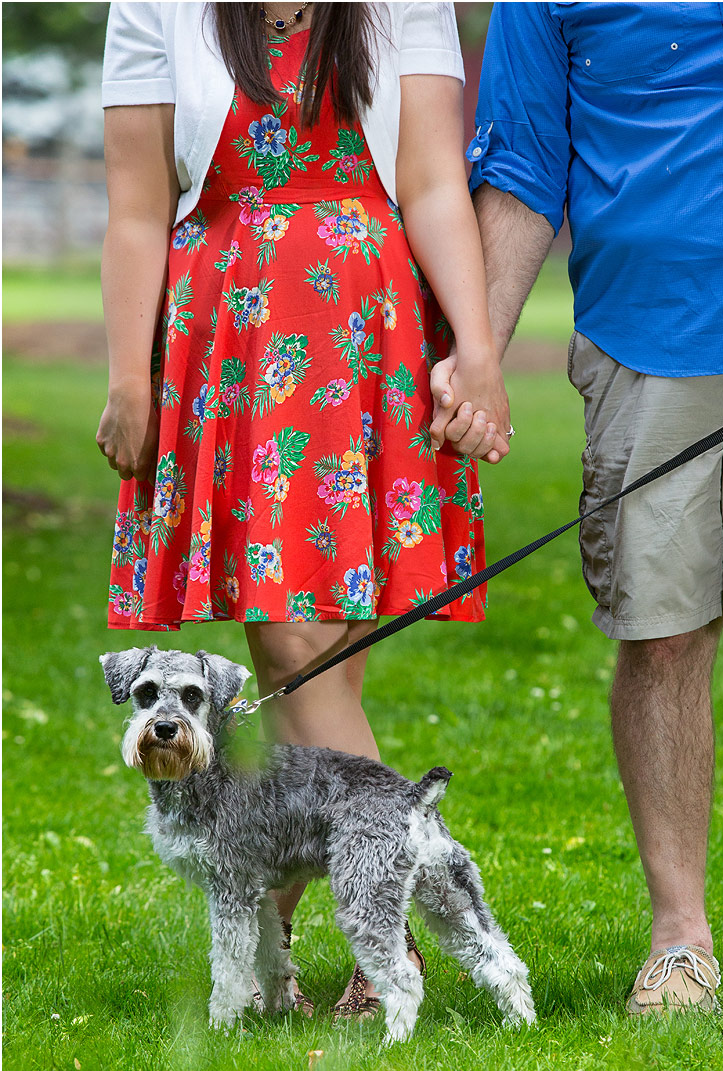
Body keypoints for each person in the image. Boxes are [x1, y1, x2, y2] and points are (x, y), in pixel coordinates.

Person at [96, 0, 511, 1018]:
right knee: (293, 654)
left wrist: (480, 349)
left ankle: (331, 940)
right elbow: (138, 204)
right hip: (231, 336)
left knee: (311, 670)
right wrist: (129, 378)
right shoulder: (152, 5)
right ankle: (381, 945)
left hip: (365, 333)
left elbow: (428, 184)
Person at [431, 2, 723, 1014]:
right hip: (646, 332)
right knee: (662, 636)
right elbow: (520, 160)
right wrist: (481, 357)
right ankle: (680, 941)